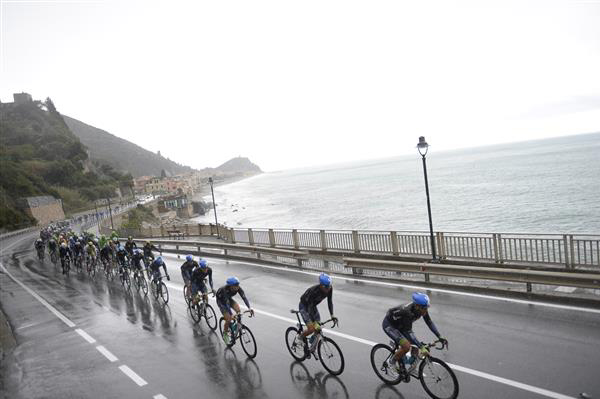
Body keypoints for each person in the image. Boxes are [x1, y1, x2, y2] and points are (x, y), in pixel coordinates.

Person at [382, 292, 447, 374]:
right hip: (390, 325)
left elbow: (429, 322)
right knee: (406, 346)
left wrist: (439, 336)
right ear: (417, 306)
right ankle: (391, 362)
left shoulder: (421, 309)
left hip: (401, 325)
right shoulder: (407, 312)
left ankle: (412, 367)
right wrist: (421, 347)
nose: (426, 310)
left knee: (416, 345)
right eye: (424, 308)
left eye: (427, 308)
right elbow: (408, 332)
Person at [298, 273, 338, 356]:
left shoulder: (329, 288)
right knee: (312, 328)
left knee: (318, 329)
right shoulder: (313, 291)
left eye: (330, 286)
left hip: (312, 306)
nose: (329, 288)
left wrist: (332, 315)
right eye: (326, 287)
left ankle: (312, 348)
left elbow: (330, 302)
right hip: (304, 306)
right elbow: (309, 308)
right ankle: (300, 337)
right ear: (321, 285)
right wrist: (314, 322)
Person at [216, 277, 253, 344]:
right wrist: (231, 314)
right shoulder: (224, 290)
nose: (238, 286)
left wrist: (249, 308)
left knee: (238, 311)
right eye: (236, 285)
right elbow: (226, 304)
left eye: (238, 284)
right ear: (231, 286)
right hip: (221, 301)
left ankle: (237, 326)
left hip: (228, 299)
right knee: (229, 318)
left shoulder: (238, 288)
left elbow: (244, 298)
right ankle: (225, 333)